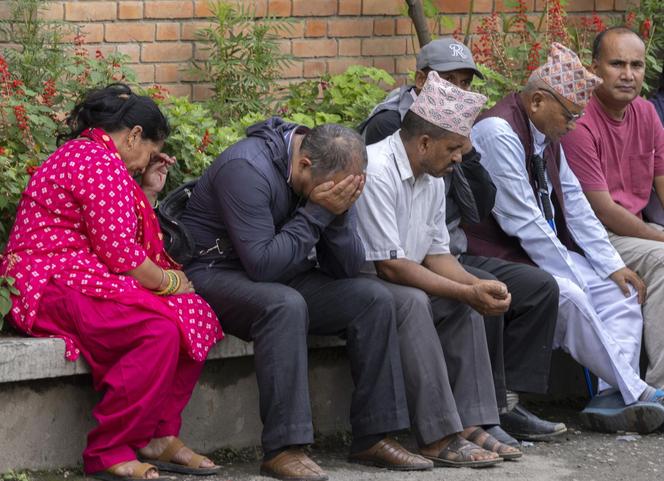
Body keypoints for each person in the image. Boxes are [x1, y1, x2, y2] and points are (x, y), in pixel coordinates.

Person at [181, 118, 432, 481]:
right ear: (303, 164)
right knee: (284, 305)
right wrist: (318, 213)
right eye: (337, 192)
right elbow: (263, 265)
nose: (340, 194)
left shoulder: (330, 175)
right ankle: (284, 448)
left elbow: (346, 268)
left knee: (373, 297)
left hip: (279, 269)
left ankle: (374, 436)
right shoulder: (246, 168)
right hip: (215, 271)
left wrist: (340, 215)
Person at [0, 84, 224, 481]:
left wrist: (148, 192)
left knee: (194, 315)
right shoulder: (97, 161)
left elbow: (116, 235)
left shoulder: (101, 158)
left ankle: (158, 434)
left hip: (82, 273)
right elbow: (122, 254)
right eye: (149, 152)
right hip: (49, 280)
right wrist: (170, 282)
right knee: (156, 330)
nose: (145, 163)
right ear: (134, 135)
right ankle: (108, 450)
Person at [360, 37, 564, 442]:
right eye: (447, 80)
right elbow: (389, 263)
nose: (456, 90)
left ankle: (483, 418)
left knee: (501, 292)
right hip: (376, 270)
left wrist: (473, 286)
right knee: (433, 300)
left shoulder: (437, 167)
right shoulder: (388, 141)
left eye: (463, 83)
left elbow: (459, 229)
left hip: (429, 258)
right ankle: (442, 433)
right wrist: (463, 289)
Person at [465, 42, 664, 433]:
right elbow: (523, 222)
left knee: (621, 291)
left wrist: (613, 266)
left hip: (535, 251)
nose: (573, 125)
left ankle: (611, 398)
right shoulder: (498, 131)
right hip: (493, 252)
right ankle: (637, 391)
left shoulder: (547, 131)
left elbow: (575, 205)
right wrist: (574, 277)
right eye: (570, 116)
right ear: (538, 101)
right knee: (571, 294)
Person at [561, 27, 664, 388]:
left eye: (636, 65)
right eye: (617, 63)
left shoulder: (647, 113)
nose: (628, 74)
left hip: (635, 231)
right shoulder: (578, 119)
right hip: (598, 237)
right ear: (594, 68)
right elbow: (601, 209)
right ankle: (661, 388)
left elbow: (661, 178)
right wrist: (659, 238)